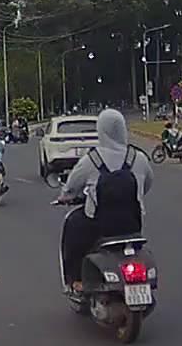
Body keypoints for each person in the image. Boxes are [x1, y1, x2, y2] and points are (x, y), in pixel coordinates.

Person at [57, 109, 154, 293]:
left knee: (72, 225)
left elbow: (71, 188)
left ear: (101, 130)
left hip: (97, 225)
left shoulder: (91, 160)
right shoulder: (139, 158)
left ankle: (76, 280)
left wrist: (65, 197)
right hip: (133, 224)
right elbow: (148, 183)